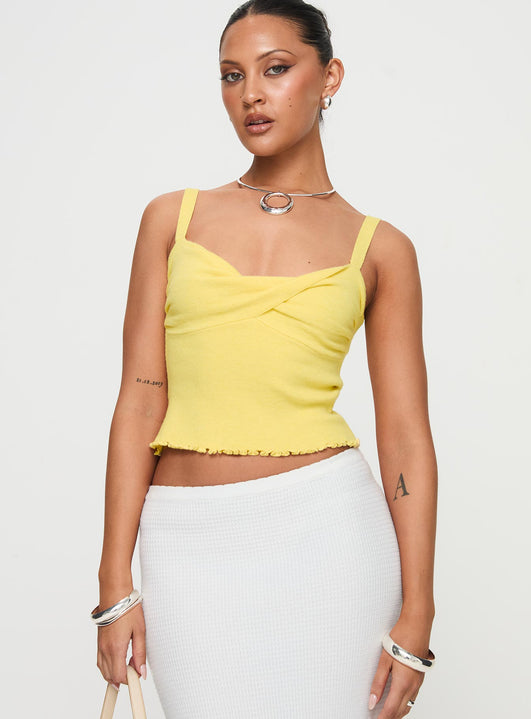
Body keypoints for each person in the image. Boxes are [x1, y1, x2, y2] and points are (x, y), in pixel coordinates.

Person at [93, 1, 438, 717]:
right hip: (185, 541)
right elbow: (140, 399)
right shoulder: (171, 218)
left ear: (328, 77)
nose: (250, 93)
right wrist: (113, 583)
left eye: (275, 69)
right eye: (231, 75)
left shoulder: (381, 249)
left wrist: (418, 611)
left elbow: (405, 436)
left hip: (329, 537)